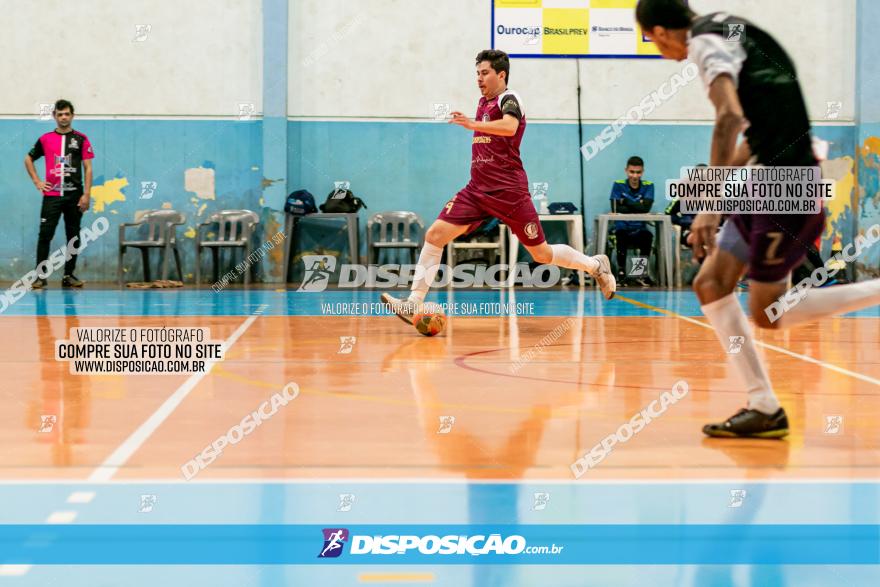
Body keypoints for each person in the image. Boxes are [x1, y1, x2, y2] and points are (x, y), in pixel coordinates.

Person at [637, 0, 880, 438]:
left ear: (661, 29)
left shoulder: (705, 43)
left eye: (651, 40)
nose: (656, 49)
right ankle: (764, 406)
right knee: (710, 284)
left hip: (788, 187)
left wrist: (709, 205)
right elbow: (754, 132)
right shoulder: (734, 30)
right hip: (765, 179)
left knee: (769, 313)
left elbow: (728, 117)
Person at [381, 49, 615, 321]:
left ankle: (596, 265)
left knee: (541, 254)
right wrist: (474, 121)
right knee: (434, 235)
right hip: (476, 191)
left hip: (509, 192)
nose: (479, 79)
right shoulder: (483, 102)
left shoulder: (510, 99)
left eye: (485, 73)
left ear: (501, 74)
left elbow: (509, 127)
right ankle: (413, 303)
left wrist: (471, 123)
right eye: (477, 73)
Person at [24, 99, 94, 289]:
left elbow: (87, 168)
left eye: (67, 114)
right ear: (55, 116)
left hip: (74, 197)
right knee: (45, 235)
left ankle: (69, 276)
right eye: (60, 114)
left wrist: (86, 194)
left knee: (73, 236)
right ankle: (40, 277)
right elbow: (28, 159)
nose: (63, 117)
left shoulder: (81, 139)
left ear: (72, 116)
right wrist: (37, 181)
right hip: (52, 197)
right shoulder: (45, 138)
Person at [610, 156, 654, 287]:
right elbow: (616, 207)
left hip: (639, 229)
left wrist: (626, 201)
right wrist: (638, 204)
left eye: (638, 172)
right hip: (622, 228)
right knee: (621, 235)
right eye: (632, 172)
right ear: (626, 171)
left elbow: (646, 208)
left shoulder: (649, 186)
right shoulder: (618, 185)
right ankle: (621, 273)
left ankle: (639, 274)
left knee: (647, 236)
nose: (635, 176)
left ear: (643, 172)